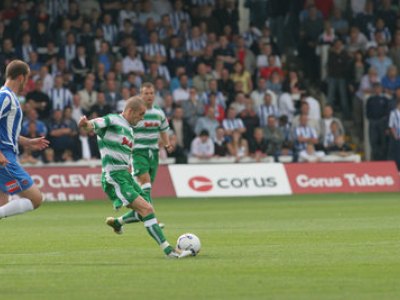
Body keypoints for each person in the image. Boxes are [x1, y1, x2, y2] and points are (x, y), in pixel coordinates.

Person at [78, 96, 191, 259]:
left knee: (144, 209)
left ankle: (117, 222)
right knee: (147, 209)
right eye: (140, 114)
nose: (142, 118)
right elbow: (95, 124)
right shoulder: (113, 120)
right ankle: (169, 251)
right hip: (115, 177)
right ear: (130, 111)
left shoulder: (129, 129)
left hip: (126, 175)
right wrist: (86, 124)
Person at [0, 60, 49, 216]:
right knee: (36, 199)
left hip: (7, 154)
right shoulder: (5, 96)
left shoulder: (9, 97)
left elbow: (6, 132)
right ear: (21, 77)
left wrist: (27, 141)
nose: (26, 83)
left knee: (3, 204)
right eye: (27, 79)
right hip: (5, 157)